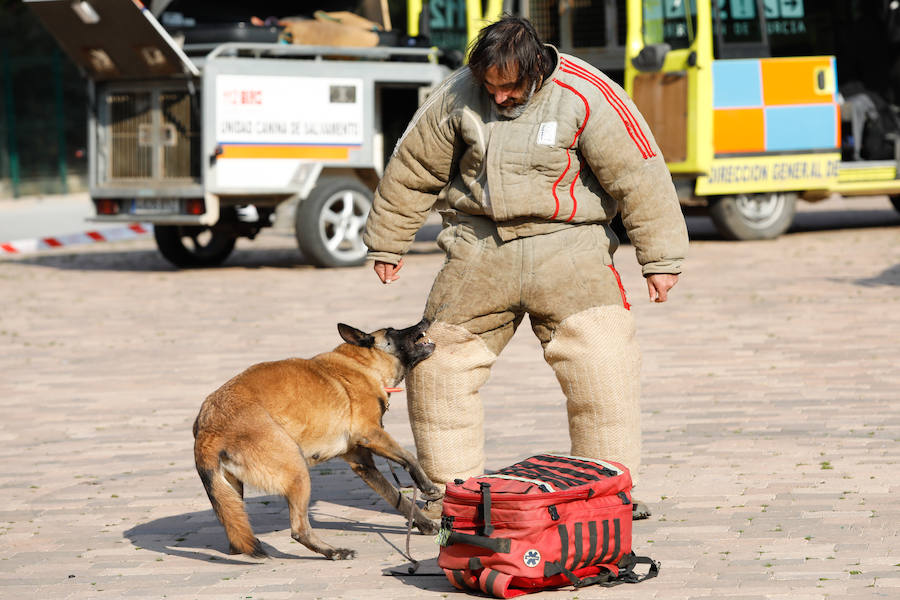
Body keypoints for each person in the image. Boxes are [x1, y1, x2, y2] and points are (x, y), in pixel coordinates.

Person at [362, 16, 688, 518]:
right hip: (477, 249)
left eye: (511, 88)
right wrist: (388, 243)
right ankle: (456, 494)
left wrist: (660, 258)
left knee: (604, 363)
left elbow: (638, 174)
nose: (500, 98)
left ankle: (608, 492)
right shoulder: (454, 96)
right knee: (437, 364)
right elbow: (413, 170)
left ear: (537, 69)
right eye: (490, 88)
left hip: (570, 249)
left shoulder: (588, 93)